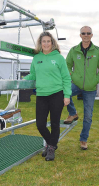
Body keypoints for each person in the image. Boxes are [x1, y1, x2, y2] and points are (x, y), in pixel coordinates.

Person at [24, 31, 71, 161]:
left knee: (55, 123)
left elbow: (66, 78)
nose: (46, 44)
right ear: (40, 43)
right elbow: (33, 75)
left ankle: (50, 148)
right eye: (43, 41)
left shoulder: (59, 58)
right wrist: (23, 80)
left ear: (52, 43)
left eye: (48, 41)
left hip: (57, 94)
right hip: (41, 95)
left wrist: (67, 95)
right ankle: (52, 144)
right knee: (40, 124)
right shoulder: (36, 58)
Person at [64, 26, 99, 150]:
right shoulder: (74, 50)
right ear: (80, 35)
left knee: (88, 116)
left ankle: (83, 139)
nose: (86, 35)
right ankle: (72, 113)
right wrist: (72, 76)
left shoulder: (98, 51)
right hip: (76, 83)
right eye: (83, 33)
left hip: (91, 88)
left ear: (92, 35)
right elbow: (67, 66)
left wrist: (96, 80)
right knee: (63, 93)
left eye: (88, 33)